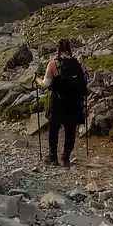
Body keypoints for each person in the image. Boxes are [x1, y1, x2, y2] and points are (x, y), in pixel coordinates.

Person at [38, 38, 87, 166]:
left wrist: (37, 80)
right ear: (69, 49)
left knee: (54, 128)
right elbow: (85, 78)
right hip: (74, 102)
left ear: (57, 49)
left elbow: (46, 84)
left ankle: (52, 158)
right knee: (70, 129)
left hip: (58, 102)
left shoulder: (53, 64)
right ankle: (66, 158)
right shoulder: (78, 64)